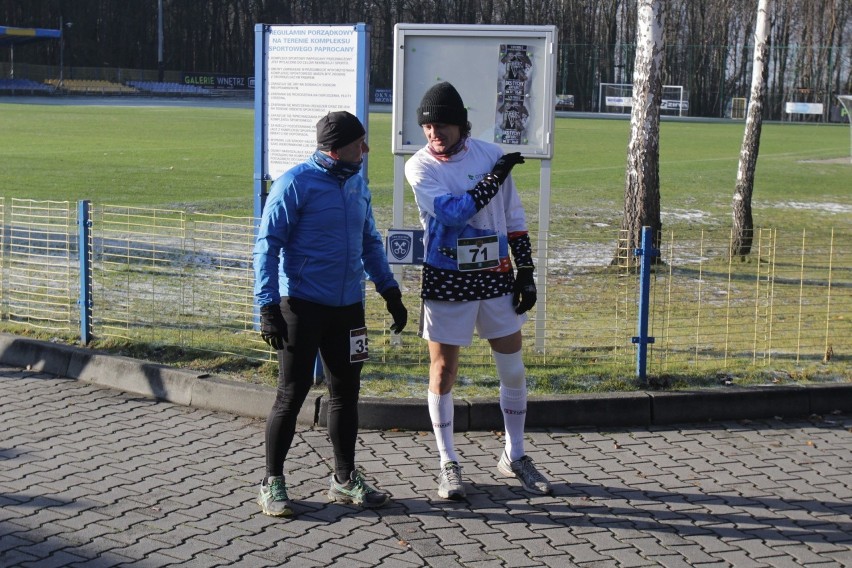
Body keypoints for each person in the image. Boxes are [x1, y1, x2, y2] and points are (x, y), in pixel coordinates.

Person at [253, 110, 408, 517]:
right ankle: (272, 482)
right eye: (361, 143)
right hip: (301, 307)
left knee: (346, 394)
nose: (367, 149)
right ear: (337, 148)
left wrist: (389, 290)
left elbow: (370, 241)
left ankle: (343, 479)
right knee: (292, 394)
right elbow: (266, 246)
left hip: (347, 309)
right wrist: (267, 305)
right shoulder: (294, 183)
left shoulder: (357, 183)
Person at [404, 82, 552, 500]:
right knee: (444, 372)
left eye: (443, 125)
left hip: (495, 277)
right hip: (447, 280)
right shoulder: (420, 166)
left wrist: (526, 271)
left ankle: (515, 455)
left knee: (513, 369)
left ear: (461, 124)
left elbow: (514, 215)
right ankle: (448, 462)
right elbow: (453, 214)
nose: (435, 134)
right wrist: (496, 176)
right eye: (428, 126)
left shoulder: (489, 154)